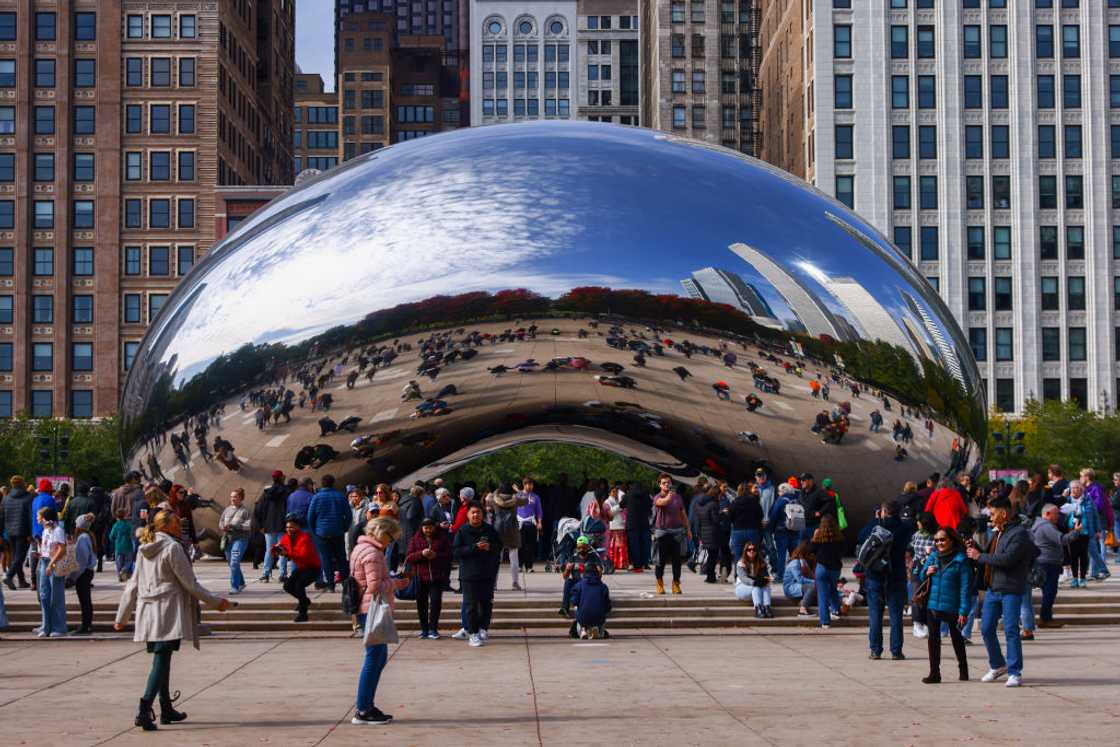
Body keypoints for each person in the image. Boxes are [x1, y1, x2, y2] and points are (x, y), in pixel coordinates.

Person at [114, 509, 232, 730]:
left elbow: (133, 583)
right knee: (161, 660)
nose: (180, 526)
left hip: (149, 610)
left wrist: (122, 616)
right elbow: (190, 583)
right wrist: (216, 602)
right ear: (166, 526)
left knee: (163, 658)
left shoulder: (145, 547)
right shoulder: (173, 548)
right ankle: (144, 709)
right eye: (177, 523)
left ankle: (166, 708)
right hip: (168, 610)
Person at [966, 495, 1036, 687]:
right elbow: (991, 556)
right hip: (993, 588)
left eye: (993, 513)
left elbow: (1007, 560)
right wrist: (975, 550)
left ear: (1004, 513)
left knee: (1011, 629)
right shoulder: (997, 533)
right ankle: (998, 665)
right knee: (987, 628)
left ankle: (1015, 671)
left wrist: (979, 556)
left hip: (1011, 588)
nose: (990, 516)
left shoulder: (1018, 534)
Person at [349, 516, 410, 725]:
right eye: (391, 538)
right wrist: (396, 583)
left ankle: (367, 705)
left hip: (366, 607)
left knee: (378, 658)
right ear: (382, 534)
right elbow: (374, 586)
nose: (390, 543)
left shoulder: (360, 548)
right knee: (374, 658)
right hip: (371, 609)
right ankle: (363, 709)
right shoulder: (373, 553)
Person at [920, 527, 972, 684]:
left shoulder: (961, 560)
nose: (939, 543)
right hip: (933, 604)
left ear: (951, 540)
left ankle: (963, 669)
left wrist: (963, 611)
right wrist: (926, 571)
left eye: (942, 539)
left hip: (952, 606)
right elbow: (921, 575)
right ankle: (934, 673)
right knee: (933, 640)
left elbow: (965, 588)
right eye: (936, 540)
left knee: (957, 639)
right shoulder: (933, 557)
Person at [864, 501, 913, 660]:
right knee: (896, 615)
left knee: (875, 614)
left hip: (875, 574)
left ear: (883, 511)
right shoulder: (904, 528)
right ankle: (896, 651)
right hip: (896, 574)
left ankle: (875, 650)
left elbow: (861, 537)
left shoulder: (875, 525)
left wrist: (877, 519)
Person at [452, 502, 501, 647]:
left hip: (487, 573)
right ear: (468, 515)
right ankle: (472, 633)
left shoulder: (490, 530)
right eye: (473, 512)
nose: (475, 515)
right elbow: (456, 551)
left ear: (482, 514)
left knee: (486, 603)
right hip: (469, 574)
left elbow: (499, 546)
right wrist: (474, 547)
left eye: (478, 512)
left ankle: (483, 628)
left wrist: (490, 547)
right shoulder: (463, 530)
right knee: (471, 605)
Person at [1031, 503, 1078, 627]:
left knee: (1049, 591)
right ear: (1047, 514)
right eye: (1056, 514)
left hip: (1046, 562)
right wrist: (1076, 532)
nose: (1058, 516)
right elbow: (1063, 540)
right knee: (1050, 591)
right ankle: (1045, 618)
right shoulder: (1046, 526)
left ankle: (1046, 617)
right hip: (1048, 563)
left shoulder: (1040, 524)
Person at [405, 518, 451, 638]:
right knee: (421, 604)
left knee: (436, 603)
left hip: (437, 577)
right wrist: (421, 554)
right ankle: (424, 629)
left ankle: (433, 629)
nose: (428, 530)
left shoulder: (442, 539)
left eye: (430, 527)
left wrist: (436, 555)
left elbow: (449, 555)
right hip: (420, 577)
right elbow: (409, 557)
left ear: (434, 528)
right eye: (426, 528)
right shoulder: (414, 540)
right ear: (422, 528)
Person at [307, 474, 352, 592]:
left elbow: (310, 517)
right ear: (333, 483)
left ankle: (331, 584)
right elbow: (348, 515)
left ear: (322, 483)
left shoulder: (316, 497)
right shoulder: (340, 496)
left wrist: (315, 530)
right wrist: (344, 528)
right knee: (341, 557)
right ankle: (345, 583)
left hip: (322, 532)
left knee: (325, 558)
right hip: (338, 531)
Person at [273, 515, 321, 622]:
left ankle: (303, 614)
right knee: (287, 586)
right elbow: (279, 547)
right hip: (302, 567)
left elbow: (303, 555)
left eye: (291, 527)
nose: (289, 529)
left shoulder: (304, 538)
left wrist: (287, 553)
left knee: (299, 585)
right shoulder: (286, 537)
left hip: (313, 568)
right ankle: (305, 601)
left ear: (298, 527)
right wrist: (276, 549)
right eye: (287, 527)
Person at [652, 474, 689, 595]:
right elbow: (661, 503)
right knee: (660, 560)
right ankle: (659, 583)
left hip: (676, 532)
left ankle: (676, 584)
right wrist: (669, 496)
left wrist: (688, 529)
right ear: (660, 485)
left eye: (668, 482)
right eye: (664, 483)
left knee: (677, 560)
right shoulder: (658, 496)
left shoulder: (678, 497)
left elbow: (683, 513)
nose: (666, 484)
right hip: (662, 532)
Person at [36, 507, 69, 637]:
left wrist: (51, 563)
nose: (37, 519)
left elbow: (62, 549)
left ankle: (59, 627)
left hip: (54, 563)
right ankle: (46, 626)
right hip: (44, 561)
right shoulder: (45, 530)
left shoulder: (58, 530)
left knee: (56, 595)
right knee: (44, 595)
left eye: (39, 516)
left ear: (45, 518)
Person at [489, 484, 528, 590]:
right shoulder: (516, 500)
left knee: (496, 558)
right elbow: (526, 499)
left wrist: (496, 490)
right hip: (512, 529)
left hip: (498, 529)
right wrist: (518, 490)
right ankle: (515, 582)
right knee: (514, 557)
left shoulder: (494, 499)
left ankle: (494, 583)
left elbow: (487, 499)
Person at [255, 471, 291, 582]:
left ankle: (265, 574)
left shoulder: (266, 493)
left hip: (269, 525)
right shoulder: (287, 492)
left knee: (269, 550)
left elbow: (258, 509)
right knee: (282, 550)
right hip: (283, 525)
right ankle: (282, 574)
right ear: (281, 478)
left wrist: (261, 525)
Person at [810, 515, 845, 629]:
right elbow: (842, 552)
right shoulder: (839, 537)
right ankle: (836, 610)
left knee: (822, 594)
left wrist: (814, 538)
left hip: (822, 567)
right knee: (833, 589)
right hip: (835, 568)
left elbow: (811, 550)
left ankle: (825, 621)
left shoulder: (819, 535)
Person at [907, 512, 937, 639]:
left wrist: (932, 552)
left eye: (919, 521)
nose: (917, 523)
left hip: (931, 566)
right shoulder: (916, 535)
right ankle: (917, 624)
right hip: (918, 567)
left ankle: (926, 623)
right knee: (917, 593)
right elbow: (910, 549)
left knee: (928, 595)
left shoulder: (936, 536)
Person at [2, 476, 34, 590]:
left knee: (16, 556)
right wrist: (31, 533)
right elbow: (30, 517)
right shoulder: (29, 497)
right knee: (20, 556)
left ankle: (21, 580)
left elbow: (1, 516)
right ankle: (9, 576)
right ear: (22, 483)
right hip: (23, 531)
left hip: (9, 531)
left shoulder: (6, 498)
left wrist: (1, 532)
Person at [560, 536, 604, 618]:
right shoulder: (573, 558)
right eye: (579, 547)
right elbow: (565, 577)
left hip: (589, 583)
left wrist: (599, 571)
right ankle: (564, 608)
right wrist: (567, 569)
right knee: (568, 582)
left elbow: (600, 575)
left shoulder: (593, 557)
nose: (581, 550)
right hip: (577, 583)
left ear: (587, 547)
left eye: (583, 547)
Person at [218, 489, 251, 594]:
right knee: (231, 562)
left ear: (241, 498)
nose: (232, 498)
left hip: (240, 539)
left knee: (234, 562)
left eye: (235, 496)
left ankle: (234, 586)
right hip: (228, 539)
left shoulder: (245, 511)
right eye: (231, 496)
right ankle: (241, 582)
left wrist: (235, 526)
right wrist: (223, 527)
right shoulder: (227, 510)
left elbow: (248, 526)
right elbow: (221, 521)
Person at [1066, 482, 1098, 588]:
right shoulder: (1067, 500)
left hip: (1084, 531)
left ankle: (1083, 578)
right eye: (1072, 488)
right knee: (1073, 556)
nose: (1074, 490)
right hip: (1071, 531)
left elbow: (1095, 515)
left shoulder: (1088, 500)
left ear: (1081, 489)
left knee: (1084, 556)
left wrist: (1097, 530)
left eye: (1076, 488)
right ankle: (1075, 578)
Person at [70, 513, 98, 635]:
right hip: (88, 571)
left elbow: (81, 560)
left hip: (83, 572)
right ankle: (87, 624)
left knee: (84, 600)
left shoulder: (82, 538)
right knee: (86, 599)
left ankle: (85, 625)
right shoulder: (89, 536)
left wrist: (73, 576)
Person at [570, 565, 612, 639]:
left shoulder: (579, 585)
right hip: (599, 617)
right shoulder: (603, 586)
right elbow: (607, 605)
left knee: (576, 607)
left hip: (583, 617)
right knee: (602, 611)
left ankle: (583, 630)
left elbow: (574, 601)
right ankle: (599, 630)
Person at [735, 543, 773, 618]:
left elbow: (766, 576)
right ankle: (758, 608)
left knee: (766, 586)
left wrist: (765, 580)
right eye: (749, 549)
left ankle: (767, 607)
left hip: (757, 587)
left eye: (754, 549)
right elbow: (743, 578)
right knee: (756, 587)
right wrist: (754, 582)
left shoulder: (761, 562)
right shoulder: (741, 563)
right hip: (742, 587)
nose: (751, 551)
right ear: (745, 551)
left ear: (757, 551)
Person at [694, 486, 722, 583]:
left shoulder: (701, 504)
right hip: (713, 533)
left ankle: (709, 575)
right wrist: (723, 514)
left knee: (710, 555)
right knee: (712, 556)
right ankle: (710, 576)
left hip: (704, 532)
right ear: (716, 494)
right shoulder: (713, 504)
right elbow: (715, 519)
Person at [515, 477, 543, 573]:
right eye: (527, 484)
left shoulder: (536, 497)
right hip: (519, 523)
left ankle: (529, 566)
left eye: (531, 484)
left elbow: (539, 511)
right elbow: (513, 510)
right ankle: (519, 565)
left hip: (531, 523)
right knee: (520, 545)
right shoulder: (518, 495)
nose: (529, 486)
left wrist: (539, 522)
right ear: (524, 485)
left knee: (530, 546)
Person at [623, 484, 652, 570]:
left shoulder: (628, 495)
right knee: (645, 544)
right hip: (644, 523)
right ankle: (645, 563)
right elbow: (650, 505)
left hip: (632, 524)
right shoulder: (646, 495)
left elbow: (621, 504)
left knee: (634, 545)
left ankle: (636, 564)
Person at [783, 541, 817, 616]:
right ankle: (802, 610)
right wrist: (815, 582)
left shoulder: (804, 562)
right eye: (810, 554)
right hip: (790, 588)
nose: (812, 556)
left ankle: (802, 602)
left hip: (800, 586)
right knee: (813, 586)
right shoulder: (795, 562)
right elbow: (800, 579)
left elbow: (811, 576)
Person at [603, 486, 629, 571]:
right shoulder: (607, 502)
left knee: (621, 545)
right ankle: (615, 563)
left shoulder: (618, 500)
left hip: (621, 524)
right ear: (609, 493)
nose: (615, 493)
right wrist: (619, 506)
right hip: (614, 525)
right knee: (615, 546)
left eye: (616, 491)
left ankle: (621, 563)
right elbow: (609, 513)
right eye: (613, 491)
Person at [110, 508, 136, 581]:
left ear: (116, 516)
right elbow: (132, 535)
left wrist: (115, 540)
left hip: (118, 546)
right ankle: (124, 570)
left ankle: (120, 576)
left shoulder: (115, 525)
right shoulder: (128, 525)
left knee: (119, 563)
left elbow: (111, 536)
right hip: (128, 546)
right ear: (125, 515)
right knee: (128, 561)